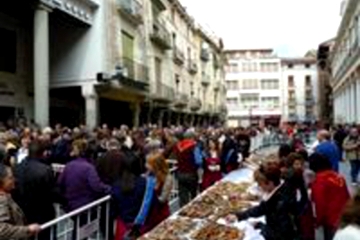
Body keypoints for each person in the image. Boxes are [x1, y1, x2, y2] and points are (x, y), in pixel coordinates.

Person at [226, 163, 299, 240]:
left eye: (260, 184)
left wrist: (263, 229)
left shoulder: (279, 203)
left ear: (270, 183)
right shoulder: (282, 188)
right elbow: (262, 207)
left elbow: (280, 232)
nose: (259, 186)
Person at [58, 139, 111, 240]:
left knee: (80, 230)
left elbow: (60, 183)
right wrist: (109, 188)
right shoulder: (89, 168)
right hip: (86, 206)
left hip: (71, 205)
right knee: (82, 232)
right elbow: (97, 187)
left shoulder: (69, 165)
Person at [12, 140, 61, 240]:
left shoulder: (16, 168)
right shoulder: (45, 170)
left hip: (21, 213)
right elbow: (52, 193)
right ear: (43, 153)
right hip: (42, 214)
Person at [112, 155, 156, 240]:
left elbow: (114, 209)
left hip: (123, 227)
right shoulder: (146, 183)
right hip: (143, 226)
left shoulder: (116, 185)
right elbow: (152, 205)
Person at [309, 152, 350, 240]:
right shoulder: (338, 176)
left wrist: (318, 221)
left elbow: (320, 204)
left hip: (331, 220)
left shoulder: (319, 180)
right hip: (344, 216)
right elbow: (347, 196)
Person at [0, 164, 41, 240]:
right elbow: (1, 229)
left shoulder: (6, 196)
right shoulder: (1, 200)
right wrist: (27, 229)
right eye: (10, 178)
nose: (14, 180)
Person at [145, 153, 172, 231]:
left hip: (160, 212)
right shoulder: (148, 175)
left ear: (156, 165)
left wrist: (150, 198)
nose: (146, 165)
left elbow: (163, 199)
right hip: (149, 213)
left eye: (148, 163)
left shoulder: (167, 178)